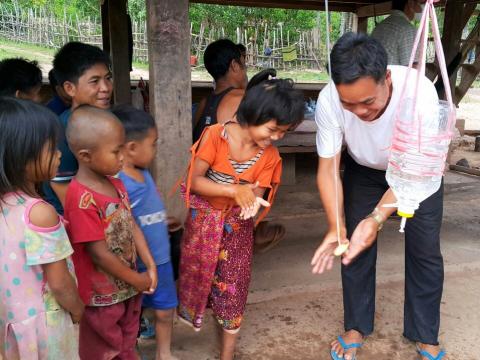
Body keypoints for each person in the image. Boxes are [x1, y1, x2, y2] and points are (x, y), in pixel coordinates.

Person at [311, 33, 445, 360]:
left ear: (386, 78)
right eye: (349, 104)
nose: (359, 112)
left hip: (418, 169)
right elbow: (328, 167)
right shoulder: (329, 98)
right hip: (365, 168)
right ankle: (355, 326)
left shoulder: (420, 94)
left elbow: (410, 175)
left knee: (424, 250)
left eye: (368, 102)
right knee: (352, 247)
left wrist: (376, 218)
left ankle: (425, 333)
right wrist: (334, 225)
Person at [178, 78, 304, 360]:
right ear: (253, 114)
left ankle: (227, 354)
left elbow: (255, 196)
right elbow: (195, 182)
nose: (277, 137)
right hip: (203, 228)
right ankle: (204, 318)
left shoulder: (269, 157)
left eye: (283, 132)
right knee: (200, 278)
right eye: (273, 129)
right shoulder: (214, 136)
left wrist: (251, 207)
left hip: (236, 231)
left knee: (233, 288)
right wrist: (234, 190)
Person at [63, 105, 158, 359]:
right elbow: (98, 253)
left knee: (127, 343)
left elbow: (131, 223)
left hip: (127, 288)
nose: (122, 158)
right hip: (102, 297)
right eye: (116, 151)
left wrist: (149, 263)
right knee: (104, 350)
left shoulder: (115, 183)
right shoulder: (81, 198)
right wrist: (137, 279)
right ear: (85, 156)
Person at [0, 97, 84, 359]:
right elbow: (60, 284)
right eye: (51, 148)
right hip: (46, 327)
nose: (59, 154)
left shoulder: (6, 205)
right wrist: (78, 309)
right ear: (22, 156)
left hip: (13, 324)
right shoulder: (39, 213)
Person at [114, 105, 178, 360]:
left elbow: (147, 209)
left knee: (164, 310)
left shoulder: (143, 173)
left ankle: (164, 353)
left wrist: (161, 220)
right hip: (134, 264)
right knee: (131, 314)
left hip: (161, 259)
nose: (155, 150)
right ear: (131, 148)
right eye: (153, 144)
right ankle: (133, 352)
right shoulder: (118, 182)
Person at [43, 41, 113, 215]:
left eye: (108, 78)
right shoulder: (61, 129)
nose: (105, 88)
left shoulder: (107, 121)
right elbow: (64, 192)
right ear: (69, 88)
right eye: (94, 81)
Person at [192, 39, 248, 143]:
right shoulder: (242, 98)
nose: (245, 73)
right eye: (244, 66)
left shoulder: (203, 103)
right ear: (234, 65)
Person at [371, 0, 424, 66]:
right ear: (411, 3)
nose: (421, 9)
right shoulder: (407, 28)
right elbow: (411, 68)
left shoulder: (379, 27)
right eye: (419, 3)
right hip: (393, 75)